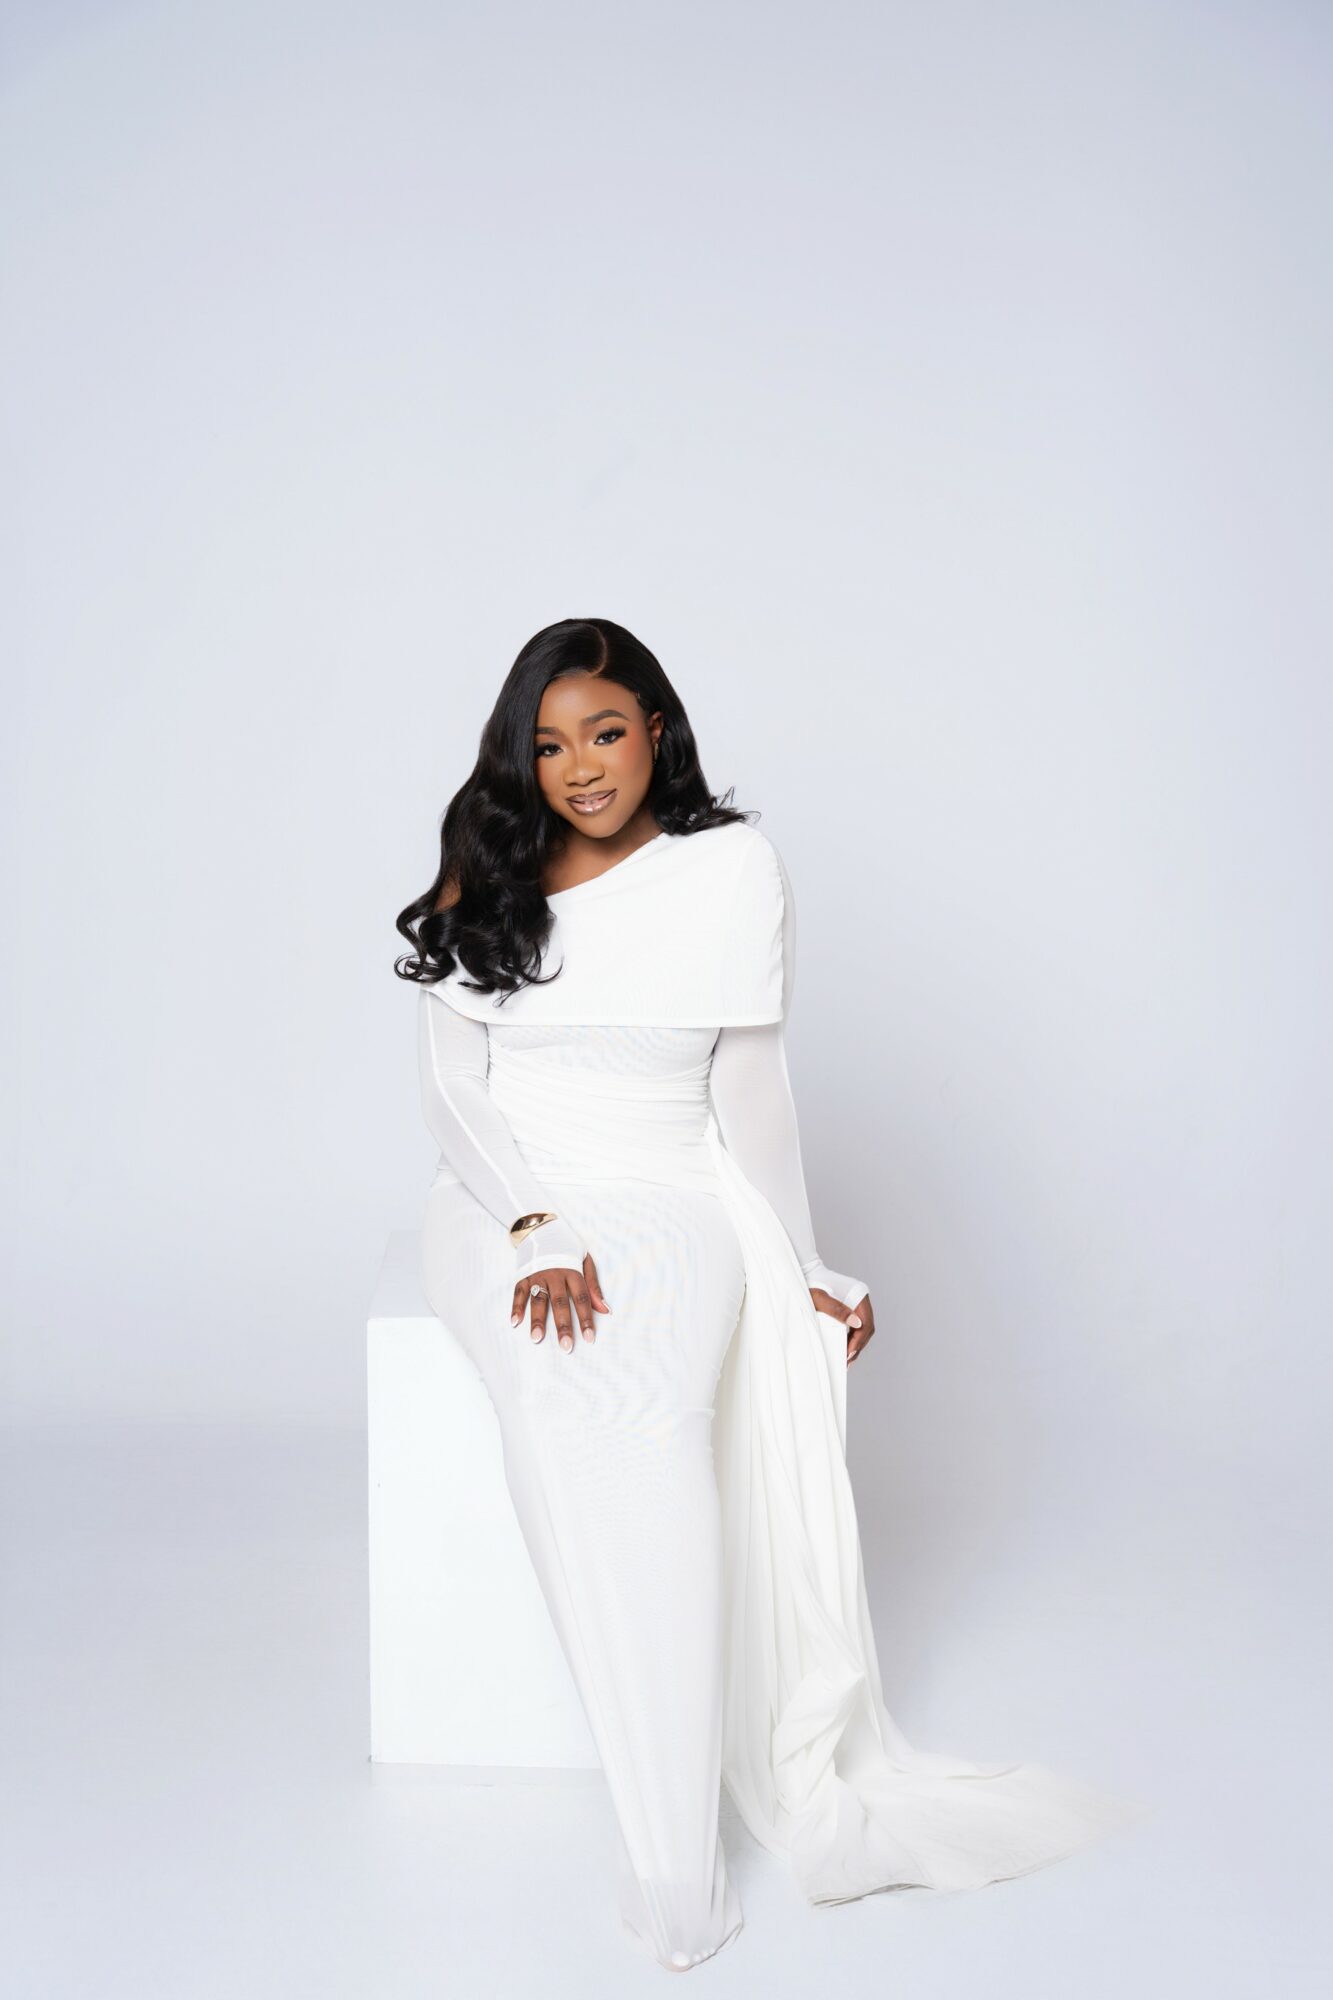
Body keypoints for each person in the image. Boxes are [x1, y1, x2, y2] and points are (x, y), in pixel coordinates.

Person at [394, 618, 1147, 1971]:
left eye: (605, 732)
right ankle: (665, 1858)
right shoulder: (486, 865)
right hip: (505, 1195)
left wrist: (801, 1265)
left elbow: (750, 1089)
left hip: (672, 1190)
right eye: (549, 745)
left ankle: (672, 1852)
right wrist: (532, 1223)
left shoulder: (732, 869)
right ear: (520, 757)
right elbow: (454, 1090)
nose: (581, 767)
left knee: (647, 1436)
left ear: (657, 730)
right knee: (553, 1392)